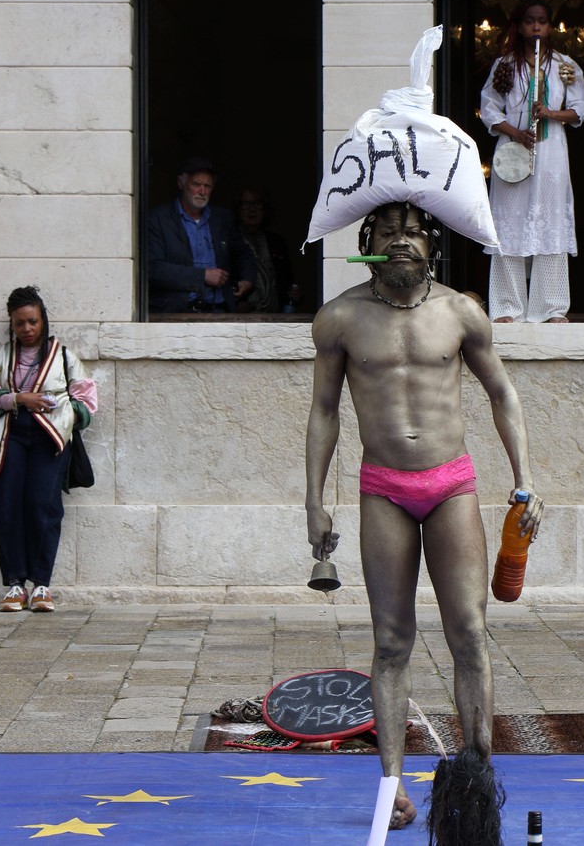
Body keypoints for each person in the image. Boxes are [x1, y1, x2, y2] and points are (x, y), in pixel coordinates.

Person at [305, 202, 543, 836]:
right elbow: (324, 410)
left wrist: (524, 479)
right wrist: (313, 499)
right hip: (382, 486)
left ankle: (478, 779)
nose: (402, 241)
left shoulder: (461, 314)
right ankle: (393, 790)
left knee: (468, 632)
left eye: (412, 231)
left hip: (450, 485)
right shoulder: (340, 318)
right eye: (388, 232)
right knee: (391, 642)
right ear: (369, 244)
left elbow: (502, 393)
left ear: (431, 245)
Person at [0, 286, 97, 613]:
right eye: (19, 323)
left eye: (32, 321)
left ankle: (41, 586)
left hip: (50, 439)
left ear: (43, 320)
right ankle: (15, 586)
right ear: (11, 325)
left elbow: (87, 400)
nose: (27, 329)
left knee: (42, 505)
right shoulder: (1, 357)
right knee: (7, 504)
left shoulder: (64, 357)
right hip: (10, 434)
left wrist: (63, 413)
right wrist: (19, 399)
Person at [480, 0, 584, 324]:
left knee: (550, 221)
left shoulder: (564, 65)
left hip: (551, 150)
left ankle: (550, 308)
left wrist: (551, 112)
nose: (537, 26)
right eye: (530, 20)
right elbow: (488, 109)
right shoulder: (504, 66)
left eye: (542, 20)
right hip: (513, 152)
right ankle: (507, 308)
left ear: (550, 26)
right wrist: (514, 131)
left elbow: (581, 107)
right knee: (509, 222)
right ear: (520, 25)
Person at [146, 158, 257, 313]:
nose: (202, 191)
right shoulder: (158, 219)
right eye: (196, 184)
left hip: (219, 311)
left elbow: (244, 254)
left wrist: (247, 280)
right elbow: (153, 269)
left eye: (207, 186)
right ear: (181, 183)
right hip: (174, 314)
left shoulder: (222, 218)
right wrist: (202, 276)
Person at [233, 186, 301, 314]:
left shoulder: (277, 242)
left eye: (257, 203)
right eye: (246, 204)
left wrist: (295, 295)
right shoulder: (228, 240)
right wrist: (235, 303)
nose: (252, 209)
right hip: (240, 318)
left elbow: (289, 283)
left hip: (275, 318)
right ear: (238, 208)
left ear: (265, 208)